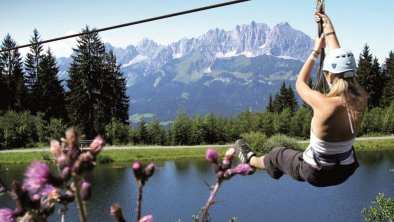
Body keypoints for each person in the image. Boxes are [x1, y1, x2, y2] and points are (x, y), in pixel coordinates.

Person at [235, 12, 368, 187]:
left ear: (328, 76)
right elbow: (341, 68)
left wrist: (315, 51)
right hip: (345, 170)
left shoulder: (323, 103)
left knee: (278, 154)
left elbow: (300, 83)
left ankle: (250, 161)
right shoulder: (361, 99)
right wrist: (328, 27)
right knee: (340, 149)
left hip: (317, 174)